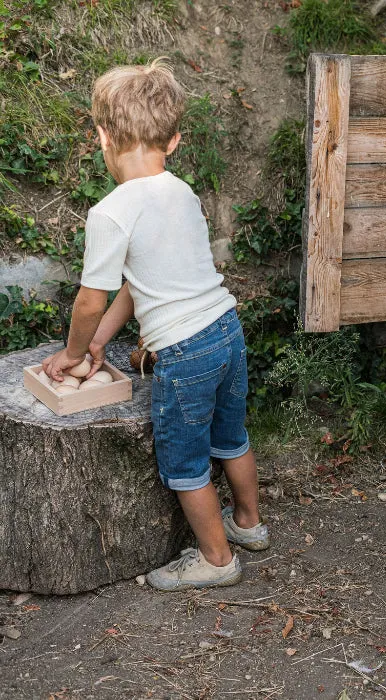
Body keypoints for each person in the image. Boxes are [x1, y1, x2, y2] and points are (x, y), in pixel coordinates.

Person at [42, 59, 269, 590]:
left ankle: (216, 562)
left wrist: (75, 351)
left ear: (102, 135)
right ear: (173, 140)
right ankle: (249, 525)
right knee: (231, 436)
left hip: (186, 352)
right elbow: (136, 283)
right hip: (226, 330)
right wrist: (102, 343)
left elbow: (91, 299)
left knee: (185, 459)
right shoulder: (182, 191)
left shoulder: (111, 211)